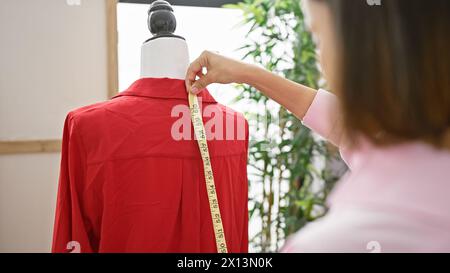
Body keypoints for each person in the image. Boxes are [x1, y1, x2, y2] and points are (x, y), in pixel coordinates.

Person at [184, 0, 450, 252]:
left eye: (319, 37)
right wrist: (247, 73)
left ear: (361, 49)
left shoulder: (331, 244)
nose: (320, 60)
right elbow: (342, 123)